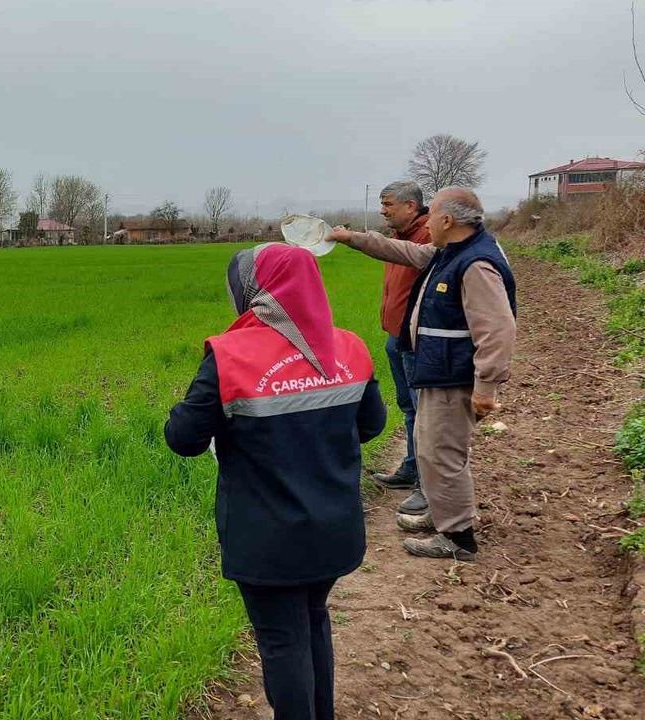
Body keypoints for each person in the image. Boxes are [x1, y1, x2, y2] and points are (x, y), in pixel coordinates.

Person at [165, 243, 386, 719]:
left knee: (282, 639)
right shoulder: (350, 347)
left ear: (254, 291)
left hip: (268, 536)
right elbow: (371, 425)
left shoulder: (230, 355)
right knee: (313, 619)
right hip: (336, 528)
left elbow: (184, 439)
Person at [328, 187, 516, 561]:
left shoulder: (475, 265)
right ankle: (444, 514)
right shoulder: (452, 252)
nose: (426, 223)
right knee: (433, 449)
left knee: (442, 452)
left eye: (432, 217)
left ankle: (458, 538)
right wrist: (351, 238)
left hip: (454, 376)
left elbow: (498, 329)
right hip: (440, 370)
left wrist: (486, 386)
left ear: (447, 220)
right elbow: (404, 252)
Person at [368, 181, 432, 516]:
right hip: (396, 337)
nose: (383, 210)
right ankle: (411, 468)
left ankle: (427, 484)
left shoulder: (428, 237)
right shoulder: (399, 236)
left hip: (417, 341)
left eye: (388, 204)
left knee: (425, 415)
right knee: (409, 408)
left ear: (410, 206)